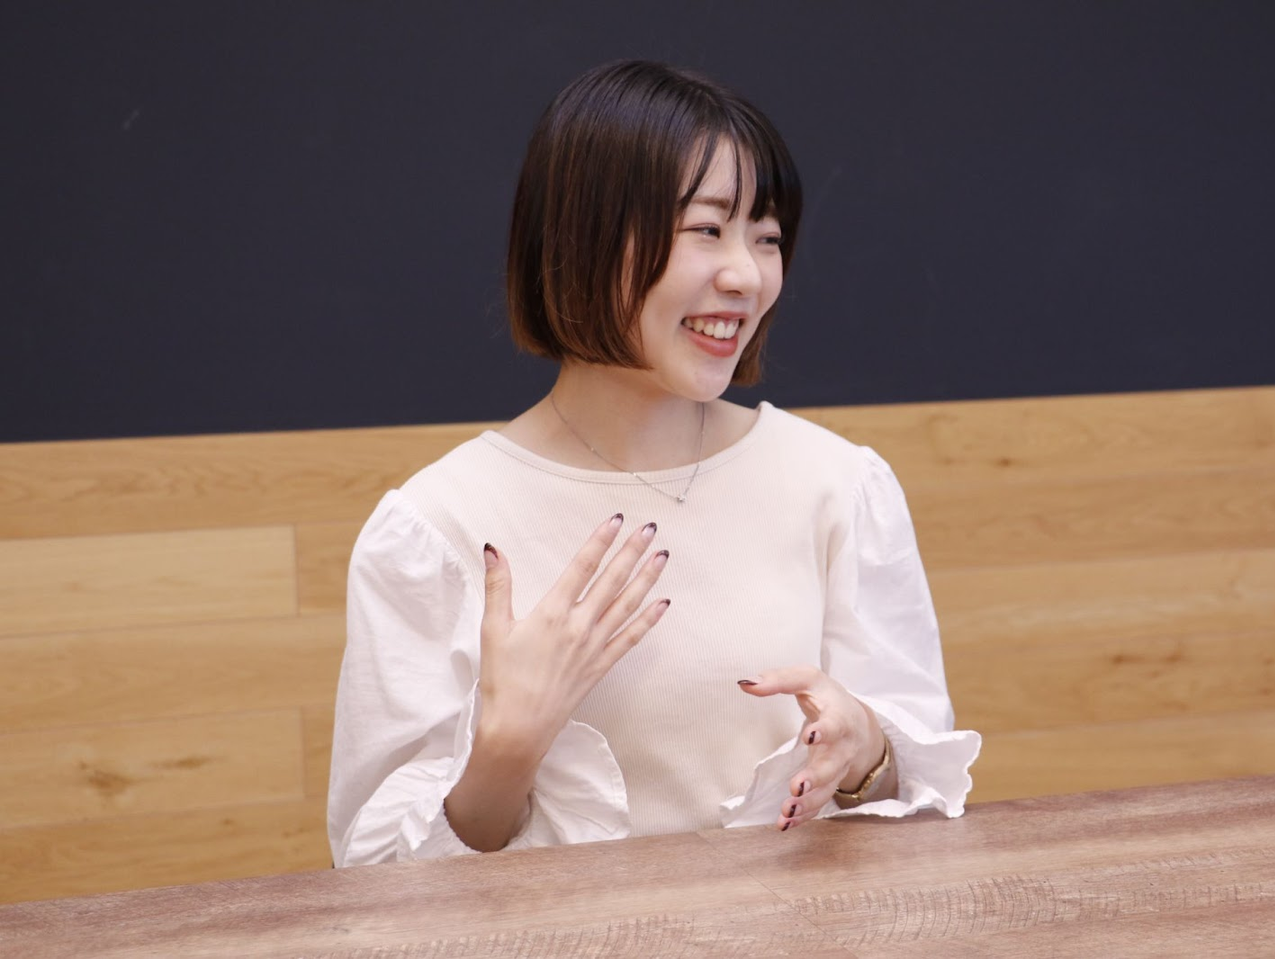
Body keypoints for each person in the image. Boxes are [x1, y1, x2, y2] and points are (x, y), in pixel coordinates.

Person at [328, 60, 981, 866]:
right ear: (584, 235)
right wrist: (508, 745)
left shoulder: (837, 485)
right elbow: (376, 878)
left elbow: (924, 807)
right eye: (707, 230)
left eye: (767, 238)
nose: (747, 275)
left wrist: (866, 750)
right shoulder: (438, 525)